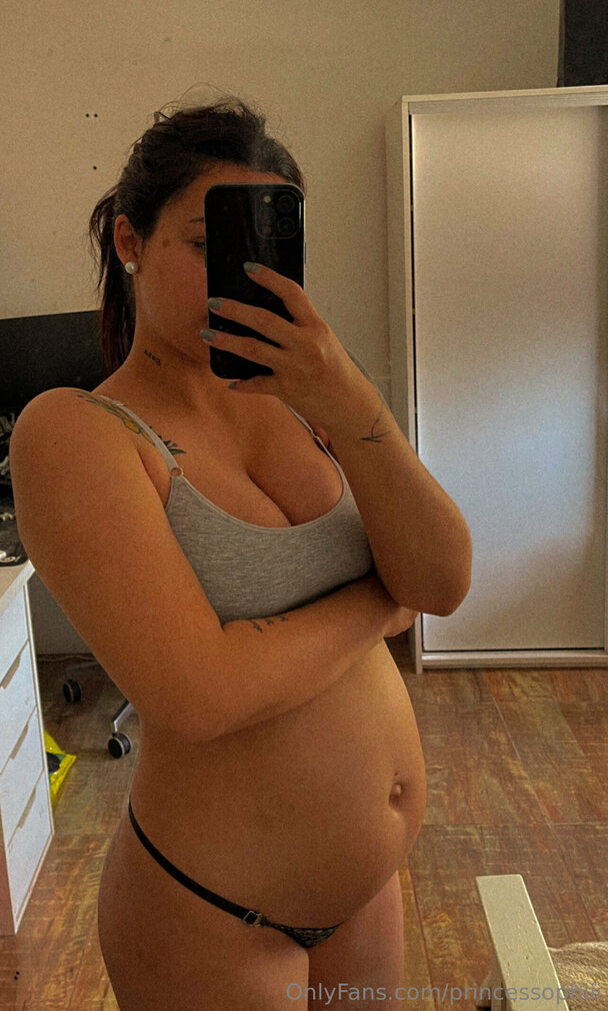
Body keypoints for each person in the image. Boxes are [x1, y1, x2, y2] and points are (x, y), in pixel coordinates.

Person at [9, 94, 472, 1010]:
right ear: (130, 240)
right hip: (213, 919)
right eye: (206, 242)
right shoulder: (77, 432)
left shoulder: (310, 401)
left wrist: (351, 398)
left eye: (268, 246)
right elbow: (200, 693)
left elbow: (444, 579)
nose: (243, 274)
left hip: (366, 894)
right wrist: (380, 603)